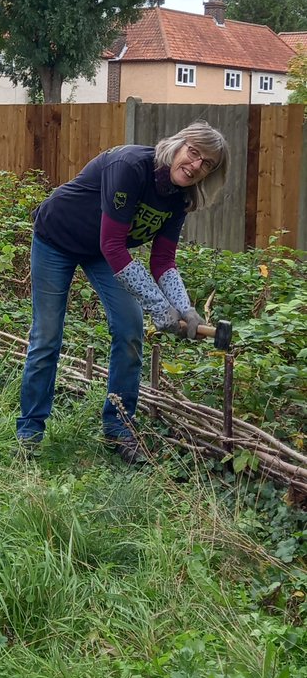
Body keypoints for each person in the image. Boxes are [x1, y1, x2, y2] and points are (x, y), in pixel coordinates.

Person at [16, 122, 229, 463]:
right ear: (178, 144)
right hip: (56, 237)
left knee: (130, 329)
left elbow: (163, 261)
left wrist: (185, 309)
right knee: (47, 335)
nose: (195, 166)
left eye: (207, 165)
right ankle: (29, 433)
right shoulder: (131, 167)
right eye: (194, 153)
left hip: (100, 252)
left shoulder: (178, 199)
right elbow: (114, 244)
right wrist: (160, 309)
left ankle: (119, 430)